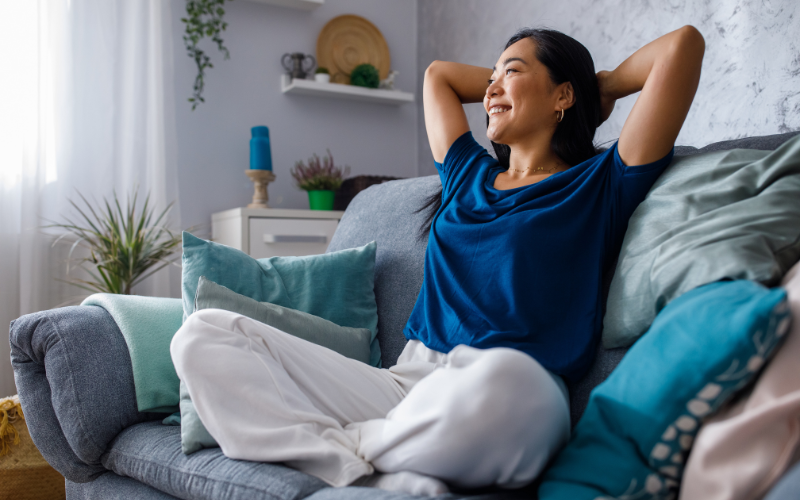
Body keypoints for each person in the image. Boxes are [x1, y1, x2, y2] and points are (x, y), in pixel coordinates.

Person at [171, 26, 705, 497]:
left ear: (562, 94)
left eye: (511, 72)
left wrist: (597, 85)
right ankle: (372, 461)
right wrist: (510, 81)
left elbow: (681, 47)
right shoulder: (465, 175)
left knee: (513, 387)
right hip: (407, 382)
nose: (491, 88)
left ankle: (352, 449)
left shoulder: (601, 182)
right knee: (202, 335)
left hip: (511, 382)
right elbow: (438, 77)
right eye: (491, 76)